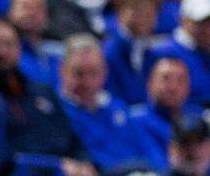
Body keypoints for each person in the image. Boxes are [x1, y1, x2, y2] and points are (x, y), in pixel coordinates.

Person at [0, 17, 95, 175]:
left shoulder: (41, 91)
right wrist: (55, 166)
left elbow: (72, 140)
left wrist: (84, 163)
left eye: (9, 44)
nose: (3, 52)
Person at [56, 35, 167, 174]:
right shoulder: (55, 111)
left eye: (93, 72)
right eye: (79, 73)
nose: (87, 82)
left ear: (104, 72)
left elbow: (147, 148)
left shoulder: (116, 107)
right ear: (62, 69)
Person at [154, 0, 210, 107]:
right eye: (201, 22)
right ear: (183, 20)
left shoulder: (205, 50)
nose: (207, 29)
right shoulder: (165, 52)